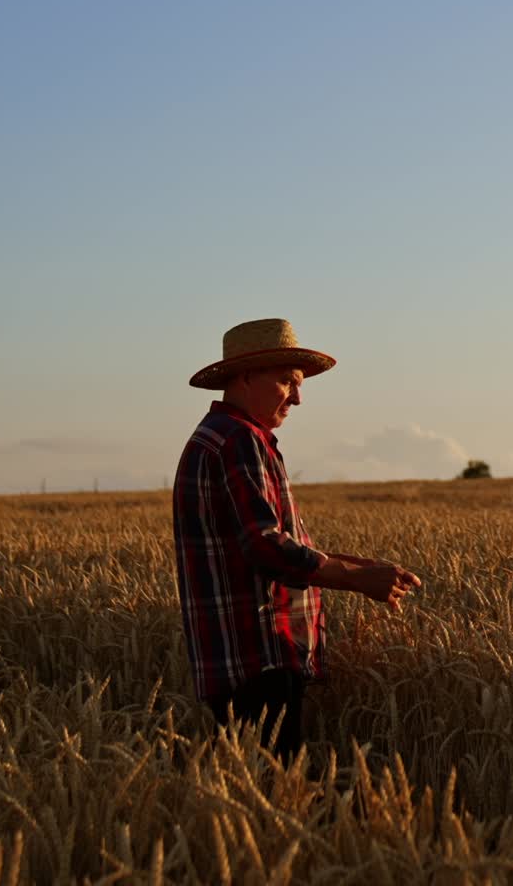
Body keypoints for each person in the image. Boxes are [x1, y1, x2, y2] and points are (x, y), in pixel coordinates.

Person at [172, 317, 421, 760]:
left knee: (258, 792)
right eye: (288, 381)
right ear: (246, 376)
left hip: (239, 655)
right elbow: (265, 546)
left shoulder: (220, 437)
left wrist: (359, 567)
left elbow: (260, 541)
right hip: (258, 656)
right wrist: (355, 581)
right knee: (277, 787)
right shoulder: (238, 441)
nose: (299, 398)